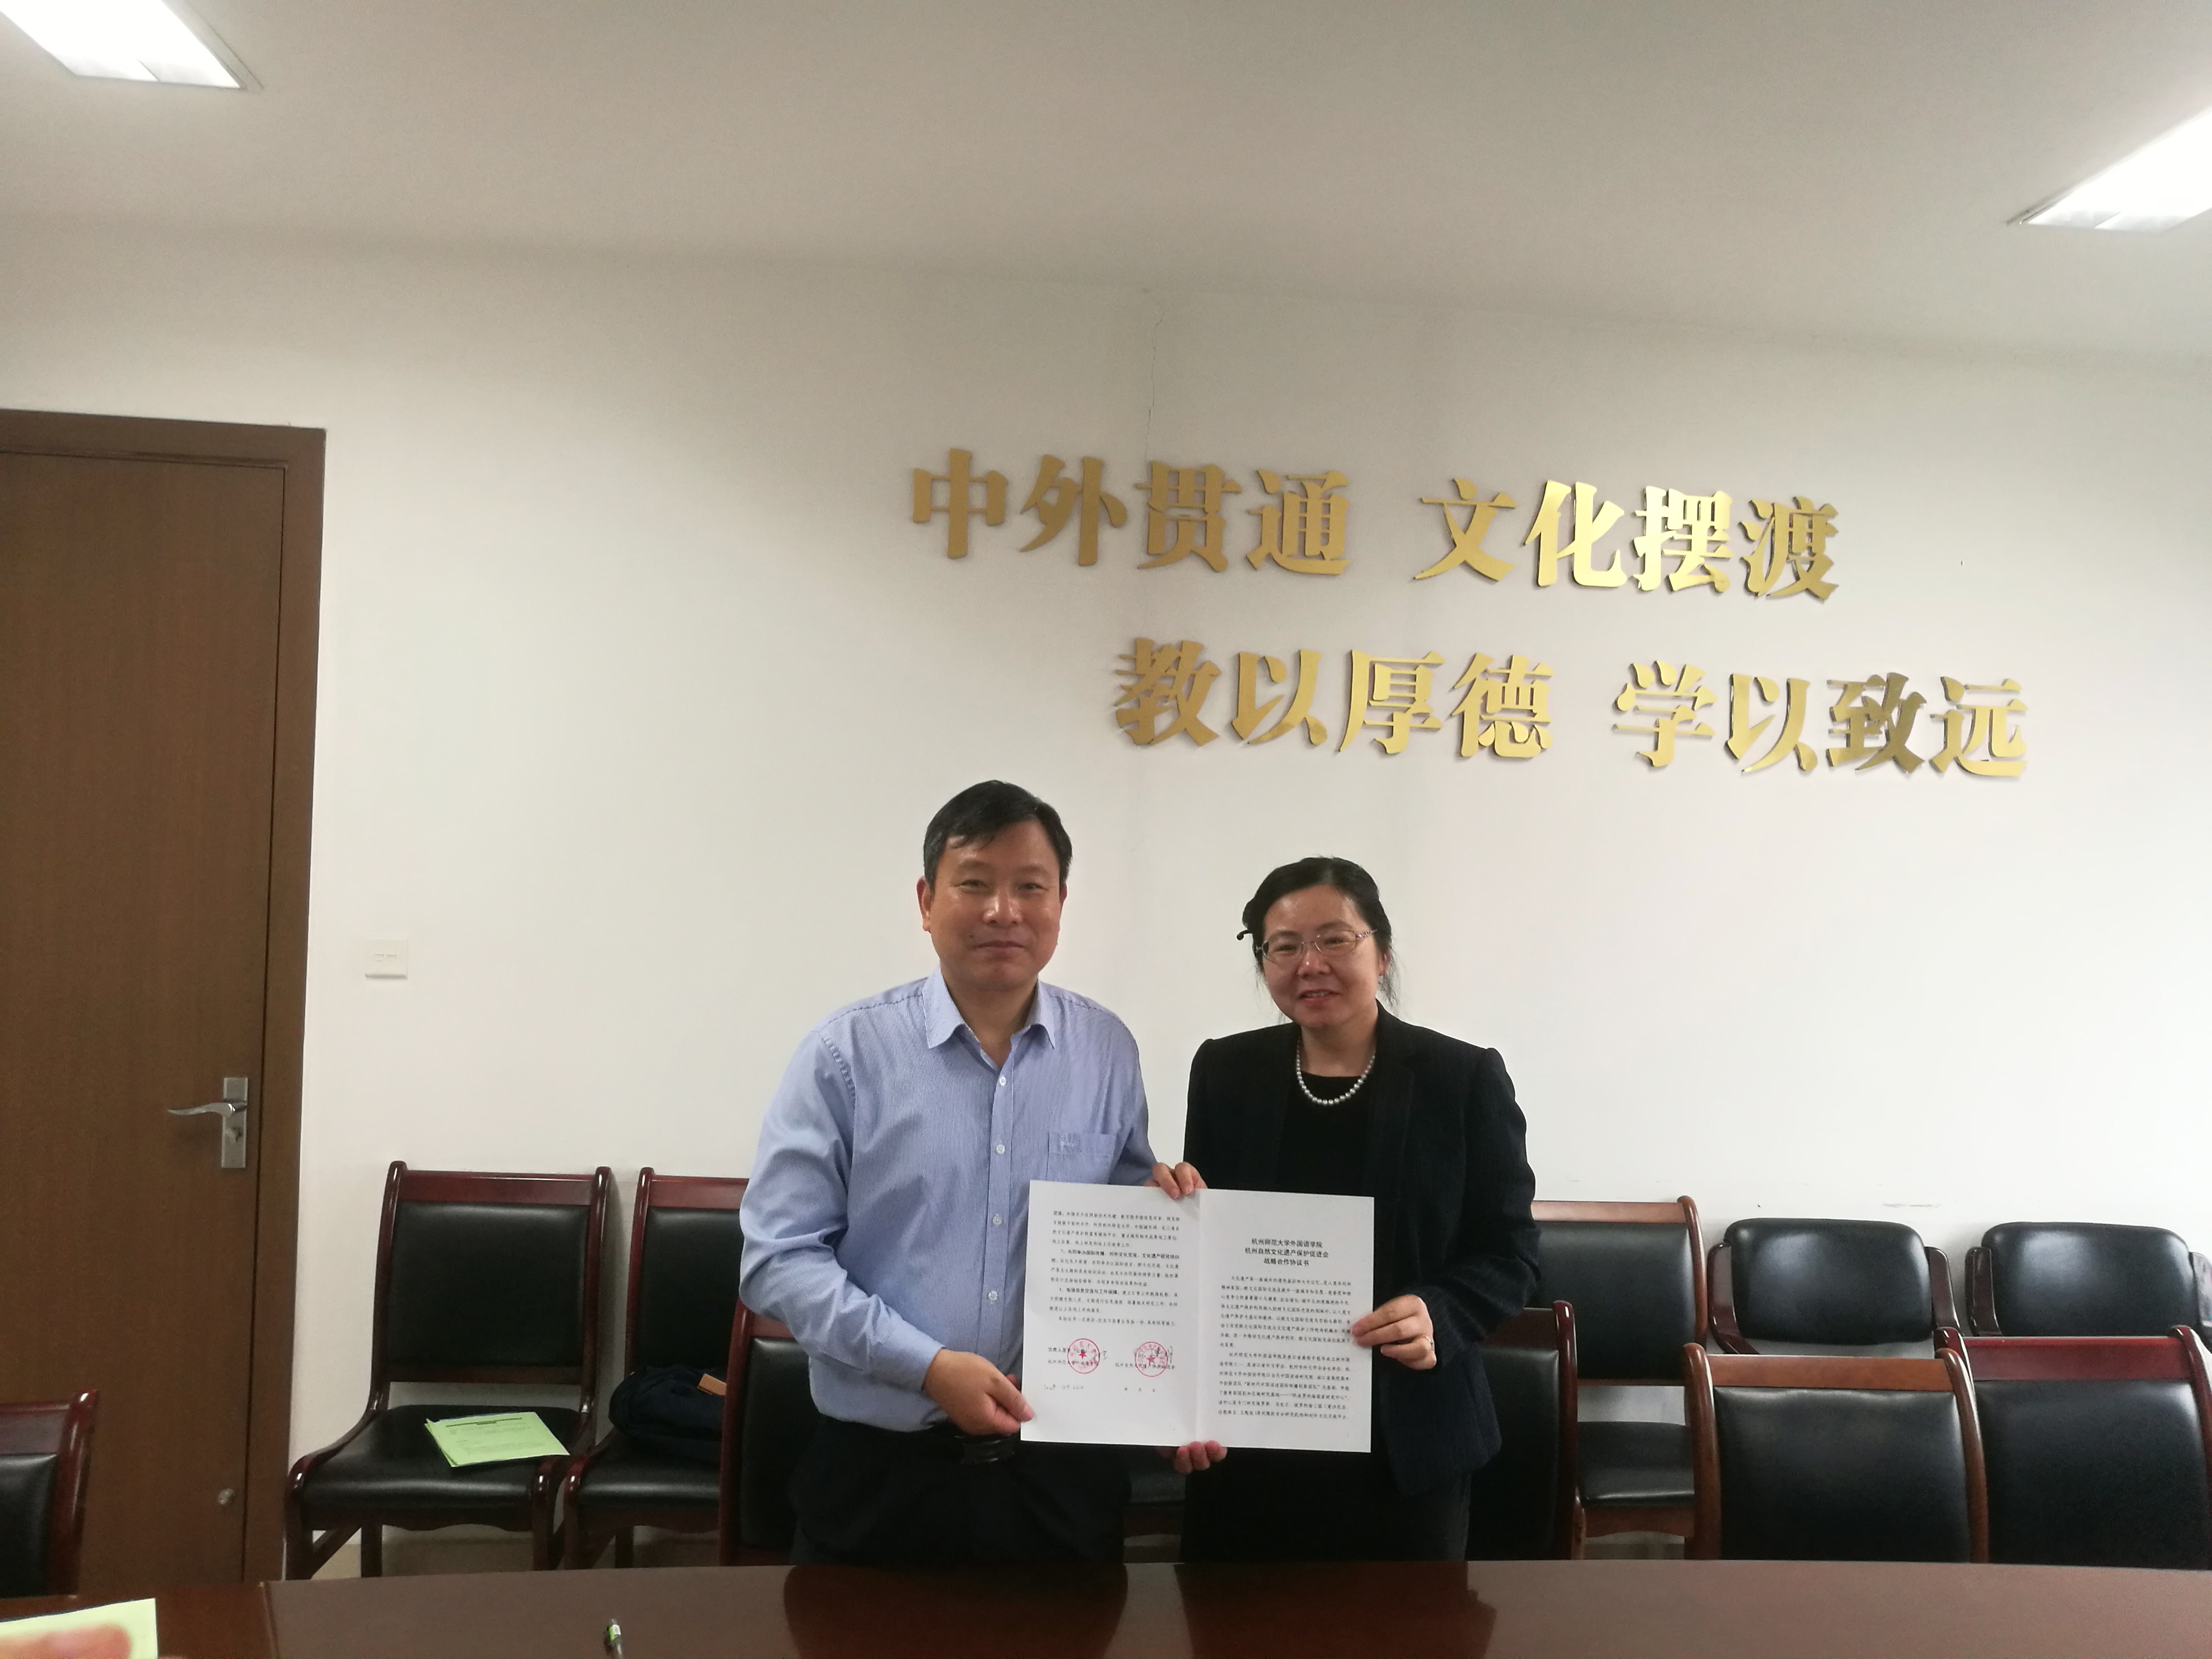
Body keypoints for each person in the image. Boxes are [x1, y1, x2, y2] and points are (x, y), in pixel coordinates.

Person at [740, 780, 1169, 1565]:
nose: (1003, 911)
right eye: (974, 883)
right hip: (881, 1473)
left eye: (1030, 886)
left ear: (1060, 902)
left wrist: (1172, 1217)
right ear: (926, 900)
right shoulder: (845, 1055)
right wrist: (927, 1368)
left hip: (1060, 1476)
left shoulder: (1107, 1051)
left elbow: (1127, 1241)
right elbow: (778, 1261)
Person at [1151, 855, 1539, 1561]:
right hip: (1248, 1438)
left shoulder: (1461, 1078)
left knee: (1403, 1621)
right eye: (1283, 946)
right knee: (1229, 1617)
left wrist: (1440, 1313)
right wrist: (1170, 1207)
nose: (1309, 964)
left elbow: (1510, 1254)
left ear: (1381, 952)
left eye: (1334, 939)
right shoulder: (1226, 1072)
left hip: (1405, 1442)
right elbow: (1206, 1245)